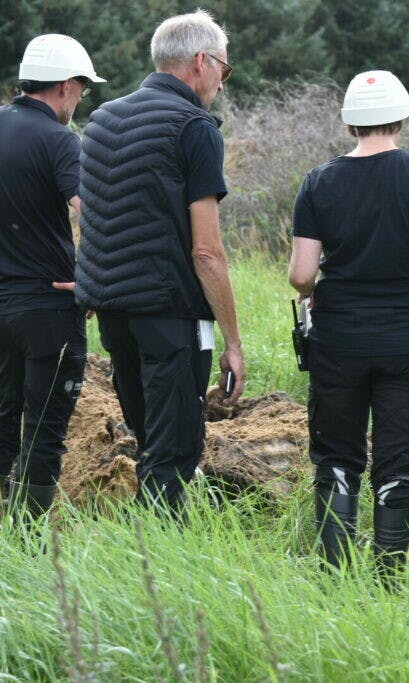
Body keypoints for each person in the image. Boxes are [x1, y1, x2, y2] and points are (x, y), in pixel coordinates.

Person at [289, 70, 409, 580]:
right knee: (399, 467)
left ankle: (334, 581)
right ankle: (389, 581)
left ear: (351, 122)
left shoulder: (318, 182)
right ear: (402, 117)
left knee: (336, 458)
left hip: (339, 342)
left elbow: (302, 276)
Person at [75, 10, 245, 511]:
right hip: (171, 313)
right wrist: (233, 341)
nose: (222, 81)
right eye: (224, 69)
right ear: (201, 61)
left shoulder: (103, 119)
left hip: (114, 312)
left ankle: (143, 554)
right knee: (175, 451)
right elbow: (207, 251)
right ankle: (158, 568)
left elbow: (98, 212)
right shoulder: (194, 127)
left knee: (148, 435)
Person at [0, 35, 104, 518]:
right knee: (44, 432)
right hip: (47, 307)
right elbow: (95, 215)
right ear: (65, 86)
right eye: (82, 90)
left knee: (2, 423)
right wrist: (96, 279)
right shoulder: (60, 140)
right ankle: (29, 541)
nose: (80, 100)